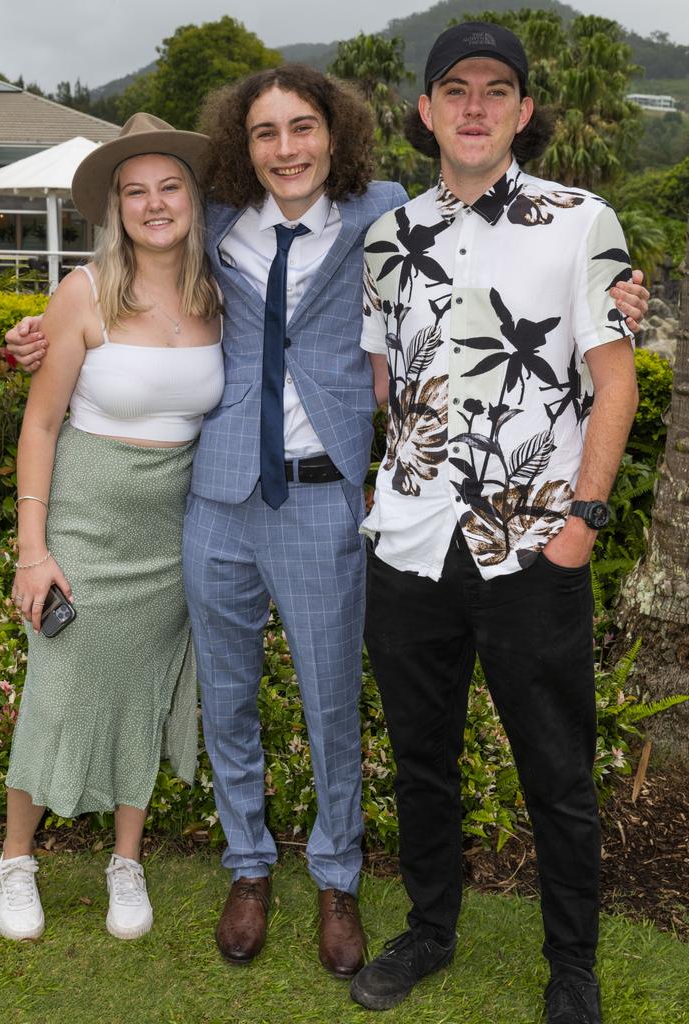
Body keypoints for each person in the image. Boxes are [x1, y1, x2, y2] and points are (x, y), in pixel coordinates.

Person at [5, 66, 648, 978]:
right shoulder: (218, 218)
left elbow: (507, 247)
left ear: (334, 136)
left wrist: (621, 290)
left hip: (325, 500)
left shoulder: (385, 214)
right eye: (266, 134)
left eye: (303, 128)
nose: (287, 148)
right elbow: (135, 279)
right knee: (227, 700)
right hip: (217, 499)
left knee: (329, 704)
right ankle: (250, 867)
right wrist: (39, 327)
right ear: (244, 147)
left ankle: (337, 878)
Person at [350, 22, 639, 1022]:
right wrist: (386, 497)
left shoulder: (580, 221)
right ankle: (429, 931)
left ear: (522, 110)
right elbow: (388, 385)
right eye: (455, 89)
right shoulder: (386, 239)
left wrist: (582, 524)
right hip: (409, 547)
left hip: (532, 546)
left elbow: (615, 382)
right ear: (426, 110)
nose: (475, 106)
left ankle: (574, 967)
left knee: (556, 771)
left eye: (497, 90)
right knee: (421, 762)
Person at [0, 113, 223, 944]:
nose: (155, 203)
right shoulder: (83, 290)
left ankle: (126, 862)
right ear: (117, 207)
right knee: (55, 693)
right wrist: (34, 550)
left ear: (193, 199)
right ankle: (16, 860)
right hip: (86, 523)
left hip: (176, 530)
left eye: (170, 187)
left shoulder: (219, 293)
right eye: (137, 191)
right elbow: (41, 426)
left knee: (144, 692)